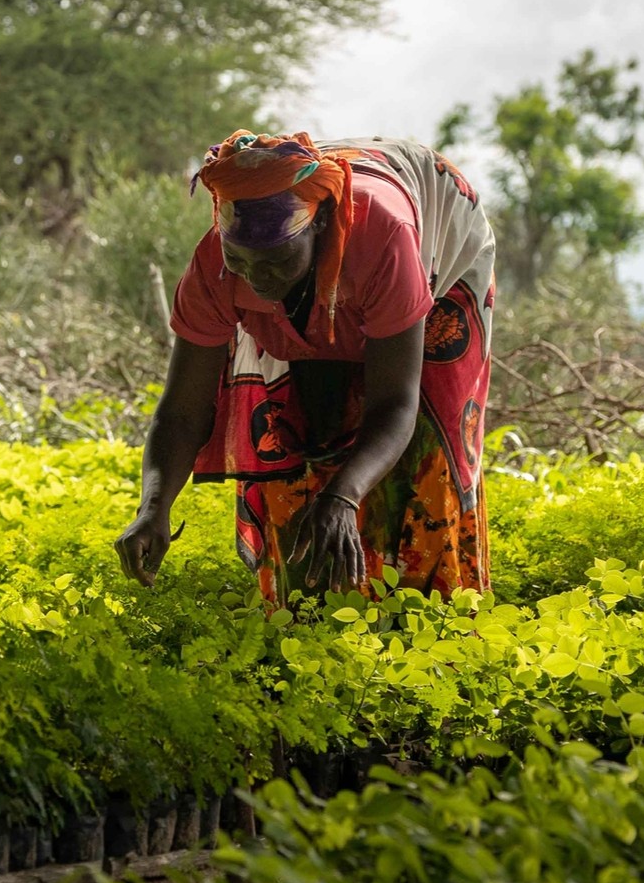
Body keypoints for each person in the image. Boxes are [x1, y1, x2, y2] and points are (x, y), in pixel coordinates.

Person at [115, 128, 496, 602]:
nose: (256, 280)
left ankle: (430, 614)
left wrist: (343, 495)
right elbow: (182, 411)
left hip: (440, 249)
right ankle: (305, 609)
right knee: (292, 437)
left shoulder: (385, 239)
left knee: (426, 449)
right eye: (241, 261)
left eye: (274, 262)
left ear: (317, 227)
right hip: (343, 272)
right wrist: (154, 508)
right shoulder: (214, 267)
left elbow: (396, 402)